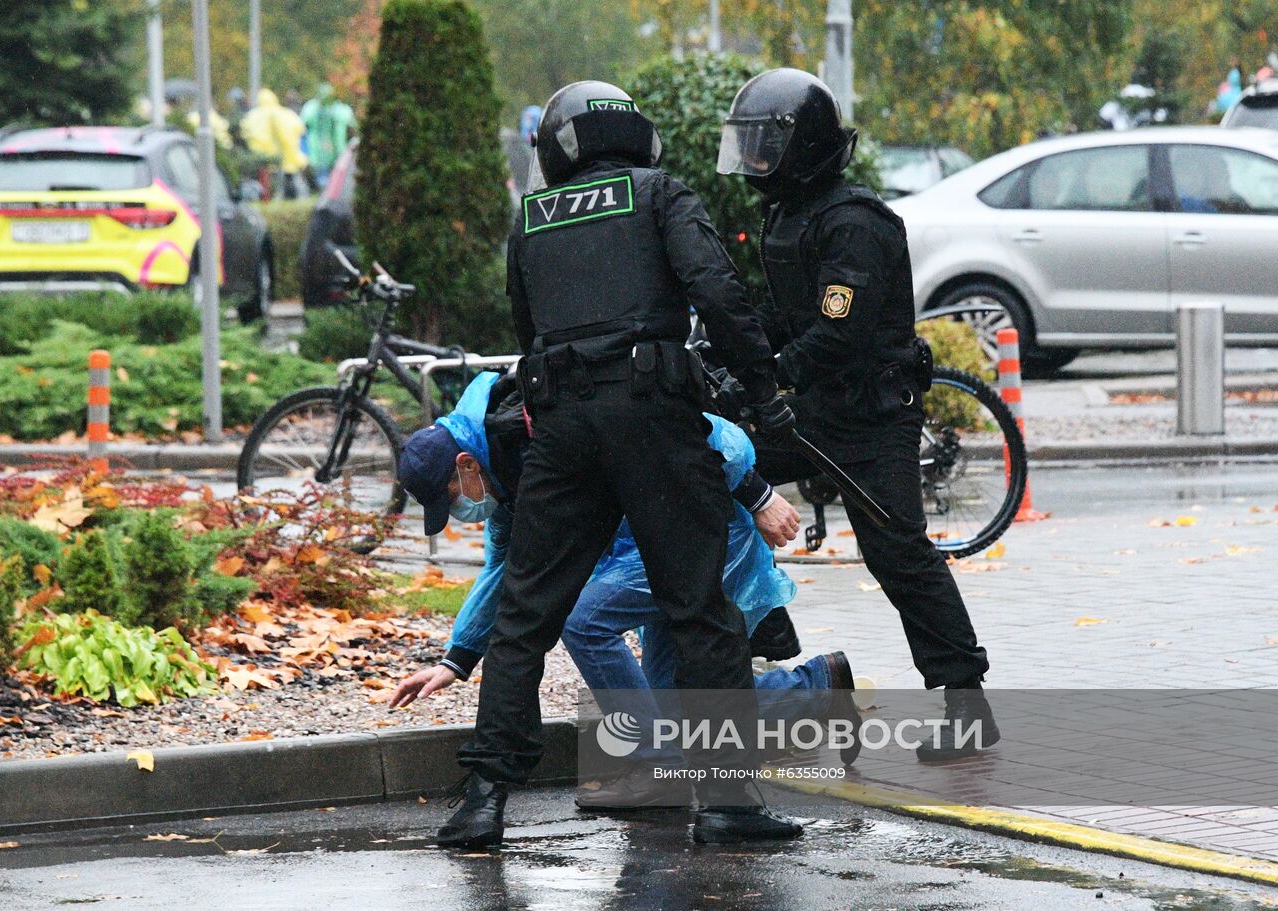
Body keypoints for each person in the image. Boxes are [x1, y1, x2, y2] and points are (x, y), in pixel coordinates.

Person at [437, 81, 802, 849]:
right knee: (699, 609)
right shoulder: (659, 192)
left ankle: (482, 799)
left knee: (526, 618)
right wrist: (766, 394)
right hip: (655, 420)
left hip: (563, 430)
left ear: (558, 145)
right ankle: (730, 802)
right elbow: (717, 292)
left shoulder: (531, 218)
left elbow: (527, 332)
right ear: (635, 133)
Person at [391, 372, 860, 809]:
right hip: (650, 539)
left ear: (466, 464)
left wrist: (756, 494)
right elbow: (503, 569)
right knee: (673, 701)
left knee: (584, 621)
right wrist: (457, 659)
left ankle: (656, 768)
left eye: (451, 497)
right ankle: (819, 686)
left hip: (699, 525)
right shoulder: (503, 478)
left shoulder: (534, 425)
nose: (458, 512)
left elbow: (684, 427)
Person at [715, 69, 997, 763]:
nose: (753, 162)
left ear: (800, 146)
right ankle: (767, 632)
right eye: (745, 147)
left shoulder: (855, 224)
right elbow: (786, 318)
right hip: (816, 413)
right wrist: (730, 355)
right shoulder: (786, 215)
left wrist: (771, 373)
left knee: (897, 550)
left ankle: (966, 700)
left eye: (763, 147)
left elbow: (837, 332)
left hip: (873, 418)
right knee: (715, 471)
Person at [241, 88, 309, 199]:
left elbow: (243, 134)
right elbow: (296, 134)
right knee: (290, 187)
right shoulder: (285, 114)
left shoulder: (251, 116)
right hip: (283, 159)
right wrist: (300, 160)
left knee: (265, 190)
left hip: (257, 160)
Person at [301, 83, 357, 188]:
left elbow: (302, 129)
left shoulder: (341, 110)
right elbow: (352, 130)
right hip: (321, 150)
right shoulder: (341, 110)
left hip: (331, 150)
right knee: (328, 174)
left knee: (329, 174)